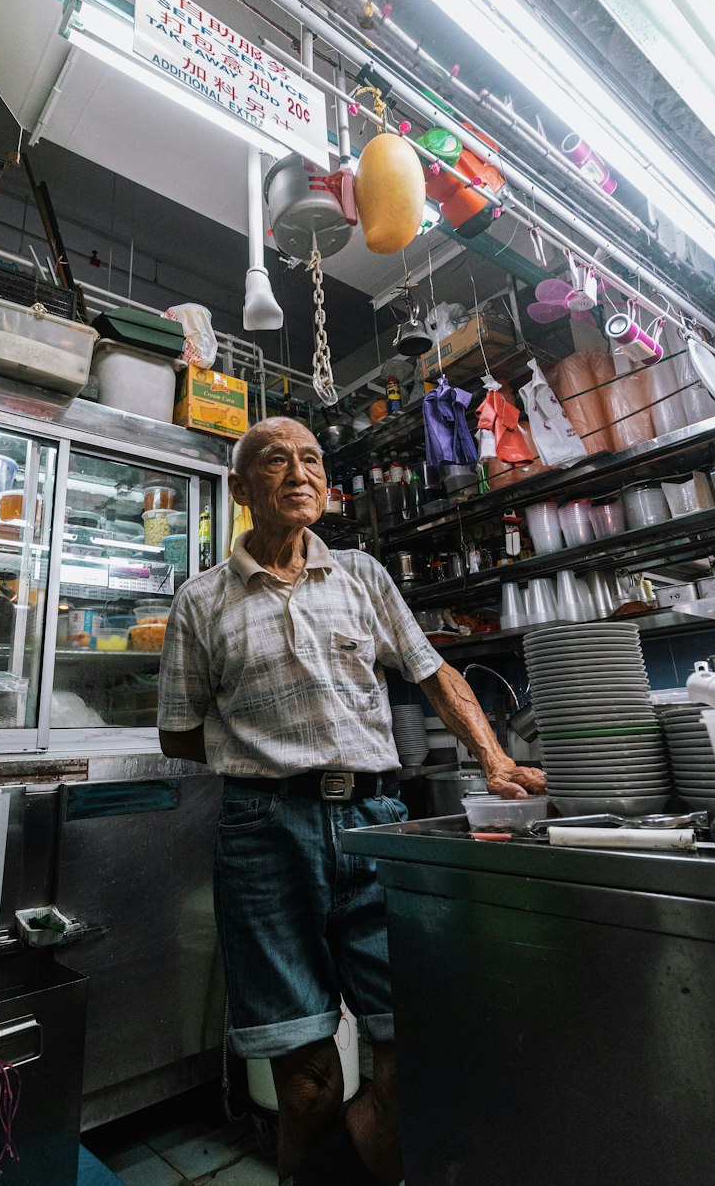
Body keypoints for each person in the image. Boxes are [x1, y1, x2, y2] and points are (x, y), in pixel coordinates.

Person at [158, 418, 545, 1186]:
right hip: (264, 836)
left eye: (311, 459)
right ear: (241, 489)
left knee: (416, 1049)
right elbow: (179, 734)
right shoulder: (200, 601)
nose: (299, 472)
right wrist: (266, 758)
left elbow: (433, 671)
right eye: (275, 461)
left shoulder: (364, 575)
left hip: (376, 823)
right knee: (306, 1085)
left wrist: (496, 758)